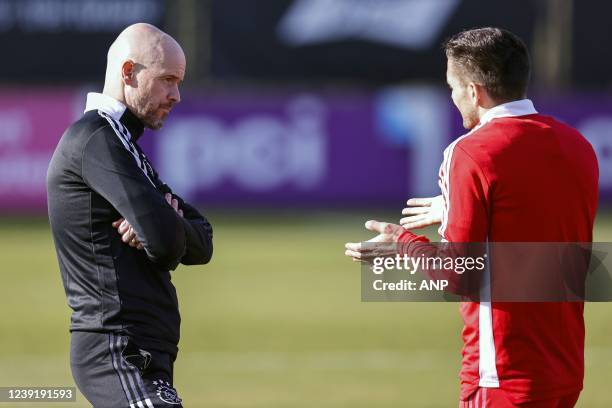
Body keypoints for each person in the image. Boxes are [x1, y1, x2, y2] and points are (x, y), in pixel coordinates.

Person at [345, 27, 598, 407]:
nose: (451, 96)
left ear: (474, 91)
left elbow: (458, 275)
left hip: (503, 373)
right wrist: (455, 206)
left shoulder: (470, 152)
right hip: (564, 369)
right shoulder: (576, 144)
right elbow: (543, 229)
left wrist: (403, 242)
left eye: (452, 86)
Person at [47, 23, 213, 408]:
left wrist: (162, 222)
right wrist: (162, 223)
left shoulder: (124, 144)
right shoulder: (95, 138)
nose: (177, 95)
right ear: (128, 73)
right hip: (117, 350)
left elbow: (202, 240)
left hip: (144, 353)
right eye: (167, 80)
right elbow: (168, 244)